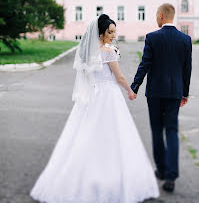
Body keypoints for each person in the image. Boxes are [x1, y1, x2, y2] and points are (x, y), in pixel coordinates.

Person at [30, 14, 159, 203]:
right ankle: (109, 178)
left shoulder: (88, 52)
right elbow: (119, 77)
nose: (114, 35)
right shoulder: (108, 52)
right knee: (113, 136)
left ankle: (84, 177)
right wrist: (131, 91)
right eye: (110, 32)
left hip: (92, 95)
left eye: (115, 32)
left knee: (85, 134)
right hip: (109, 96)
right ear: (101, 33)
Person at [130, 3, 192, 193]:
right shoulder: (185, 39)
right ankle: (171, 177)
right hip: (175, 93)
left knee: (157, 131)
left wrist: (135, 86)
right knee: (171, 131)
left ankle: (162, 170)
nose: (156, 18)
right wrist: (185, 93)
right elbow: (186, 69)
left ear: (162, 16)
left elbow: (145, 64)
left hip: (155, 93)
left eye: (157, 15)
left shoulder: (152, 37)